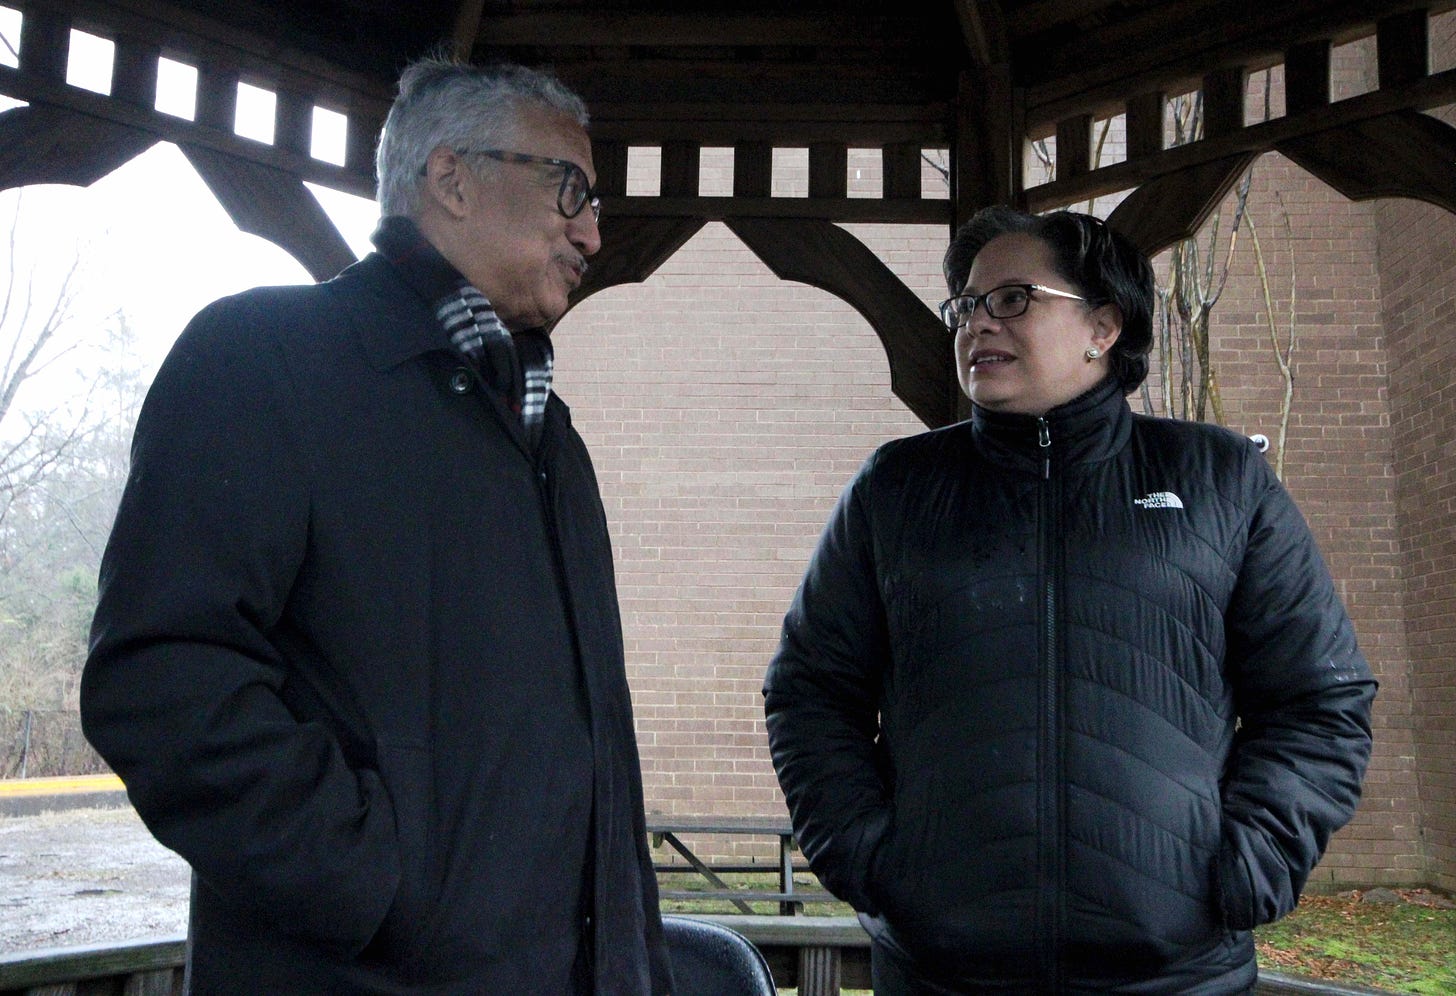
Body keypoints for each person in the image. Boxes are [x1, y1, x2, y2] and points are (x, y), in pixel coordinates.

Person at [81, 58, 671, 995]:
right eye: (570, 189)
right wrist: (378, 892)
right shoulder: (267, 359)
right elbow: (163, 680)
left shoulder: (549, 434)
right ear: (452, 179)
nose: (593, 233)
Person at [763, 206, 1377, 994]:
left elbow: (1320, 698)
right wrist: (873, 858)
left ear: (1104, 326)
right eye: (967, 306)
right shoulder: (898, 489)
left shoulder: (1220, 480)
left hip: (1176, 974)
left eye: (1012, 298)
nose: (977, 323)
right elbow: (811, 690)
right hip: (942, 972)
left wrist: (1250, 861)